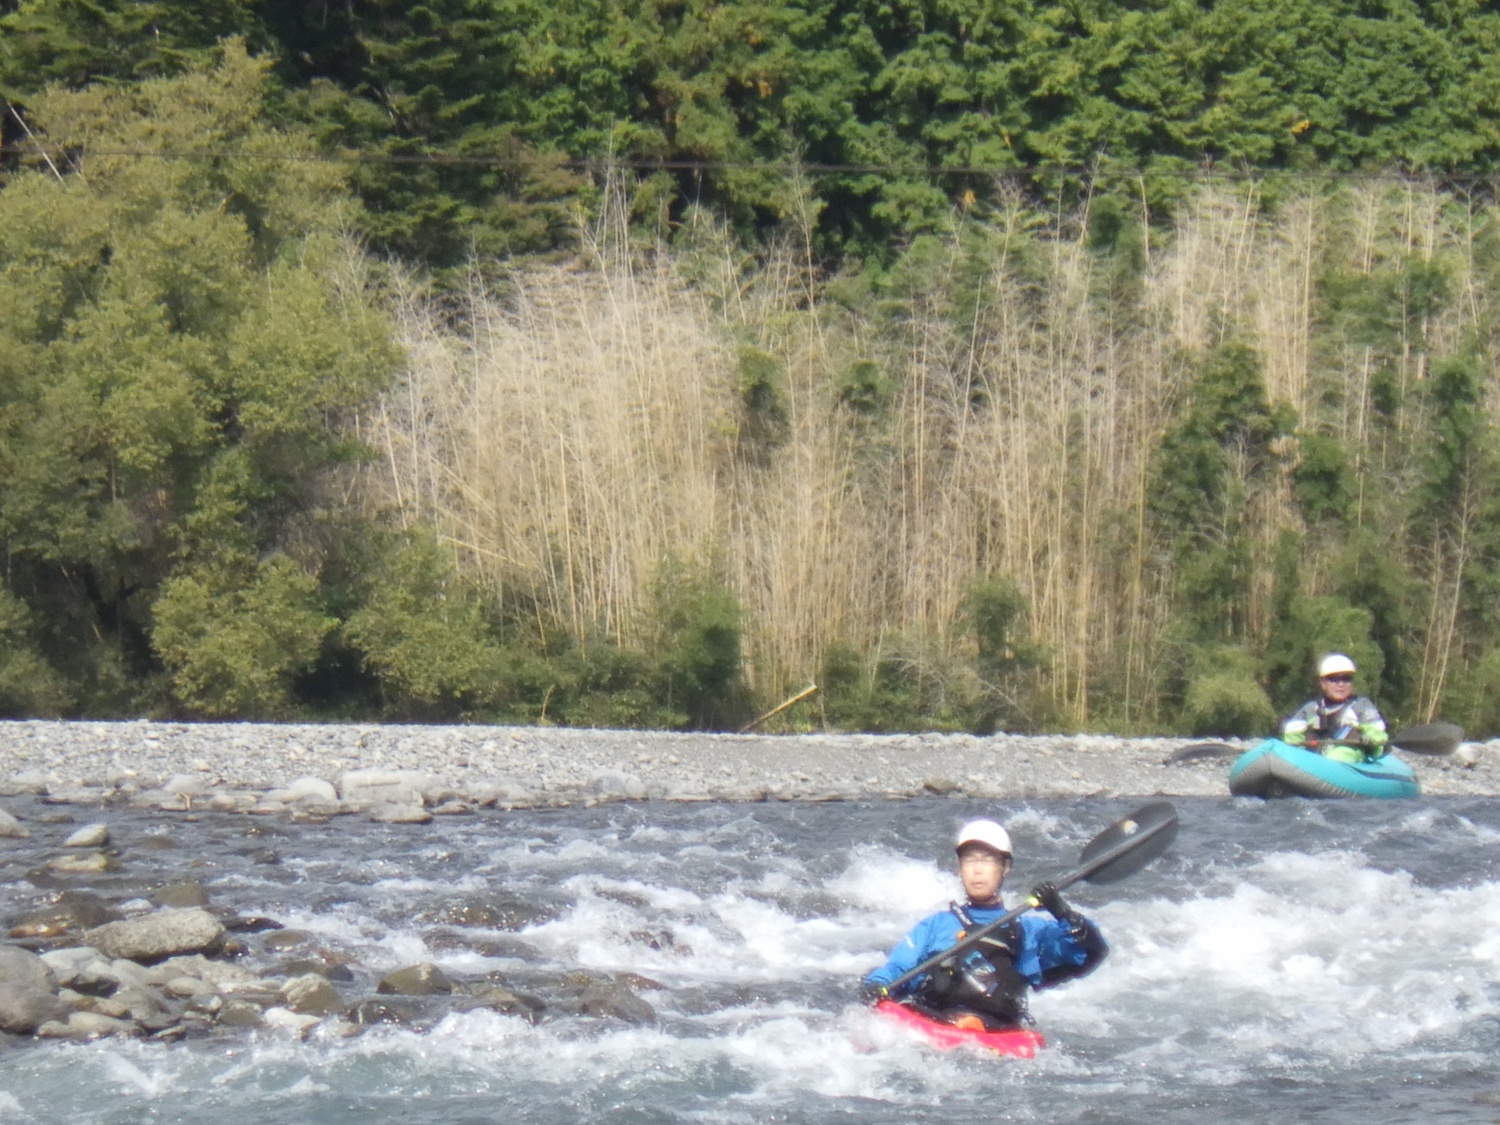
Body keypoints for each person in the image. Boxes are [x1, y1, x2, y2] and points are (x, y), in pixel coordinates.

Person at [861, 818, 1107, 1030]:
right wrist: (876, 985)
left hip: (995, 1034)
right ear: (960, 868)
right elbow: (897, 968)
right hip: (935, 1024)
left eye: (987, 860)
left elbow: (1089, 952)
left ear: (1005, 868)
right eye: (970, 860)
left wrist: (1060, 910)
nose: (977, 870)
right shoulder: (935, 926)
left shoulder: (1028, 931)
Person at [1280, 653, 1389, 764]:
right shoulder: (1310, 709)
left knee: (1340, 755)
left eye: (1346, 679)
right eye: (1333, 679)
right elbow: (1292, 737)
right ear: (1323, 683)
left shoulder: (1362, 706)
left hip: (1350, 756)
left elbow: (1377, 736)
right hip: (1316, 757)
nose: (1340, 684)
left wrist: (1370, 741)